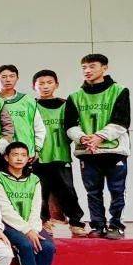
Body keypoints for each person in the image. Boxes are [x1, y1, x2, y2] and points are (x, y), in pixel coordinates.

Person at [65, 53, 131, 240]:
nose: (87, 70)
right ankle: (97, 226)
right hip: (88, 152)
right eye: (84, 67)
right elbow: (69, 125)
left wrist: (99, 137)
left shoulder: (119, 91)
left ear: (104, 68)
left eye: (92, 66)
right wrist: (83, 138)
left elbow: (122, 121)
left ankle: (116, 226)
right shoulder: (75, 97)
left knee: (117, 191)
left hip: (114, 152)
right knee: (92, 192)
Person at [0, 142, 56, 265]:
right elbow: (4, 209)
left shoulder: (34, 179)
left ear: (28, 158)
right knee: (26, 245)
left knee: (48, 247)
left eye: (23, 155)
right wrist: (27, 230)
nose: (19, 158)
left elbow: (36, 207)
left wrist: (33, 229)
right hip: (8, 225)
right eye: (15, 154)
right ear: (6, 157)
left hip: (32, 225)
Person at [32, 70, 87, 236]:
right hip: (39, 157)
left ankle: (76, 223)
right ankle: (43, 222)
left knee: (68, 190)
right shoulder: (31, 105)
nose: (45, 86)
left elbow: (74, 127)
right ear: (34, 86)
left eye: (49, 82)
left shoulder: (66, 104)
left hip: (61, 155)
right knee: (40, 192)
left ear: (56, 84)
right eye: (41, 83)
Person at [0, 64, 46, 159]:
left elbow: (39, 127)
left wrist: (37, 148)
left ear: (17, 78)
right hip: (0, 154)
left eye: (12, 76)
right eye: (4, 77)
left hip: (25, 154)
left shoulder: (27, 101)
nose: (8, 80)